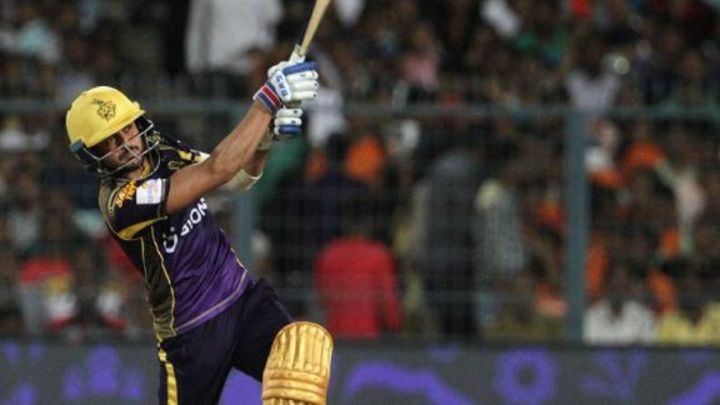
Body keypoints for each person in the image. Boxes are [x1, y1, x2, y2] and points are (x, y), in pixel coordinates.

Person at [64, 56, 333, 404]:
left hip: (242, 300)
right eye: (109, 142)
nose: (126, 143)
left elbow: (237, 179)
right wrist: (267, 102)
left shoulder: (161, 149)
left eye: (126, 129)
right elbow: (217, 170)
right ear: (91, 155)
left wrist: (265, 138)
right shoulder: (121, 202)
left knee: (301, 357)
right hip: (191, 333)